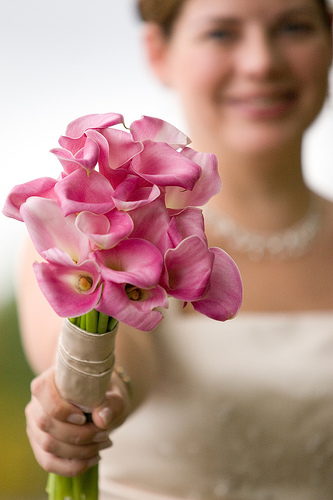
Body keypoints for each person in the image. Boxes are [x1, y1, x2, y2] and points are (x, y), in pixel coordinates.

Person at [20, 0, 333, 498]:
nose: (261, 62)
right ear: (158, 51)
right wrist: (92, 397)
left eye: (294, 26)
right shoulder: (68, 233)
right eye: (221, 33)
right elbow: (118, 358)